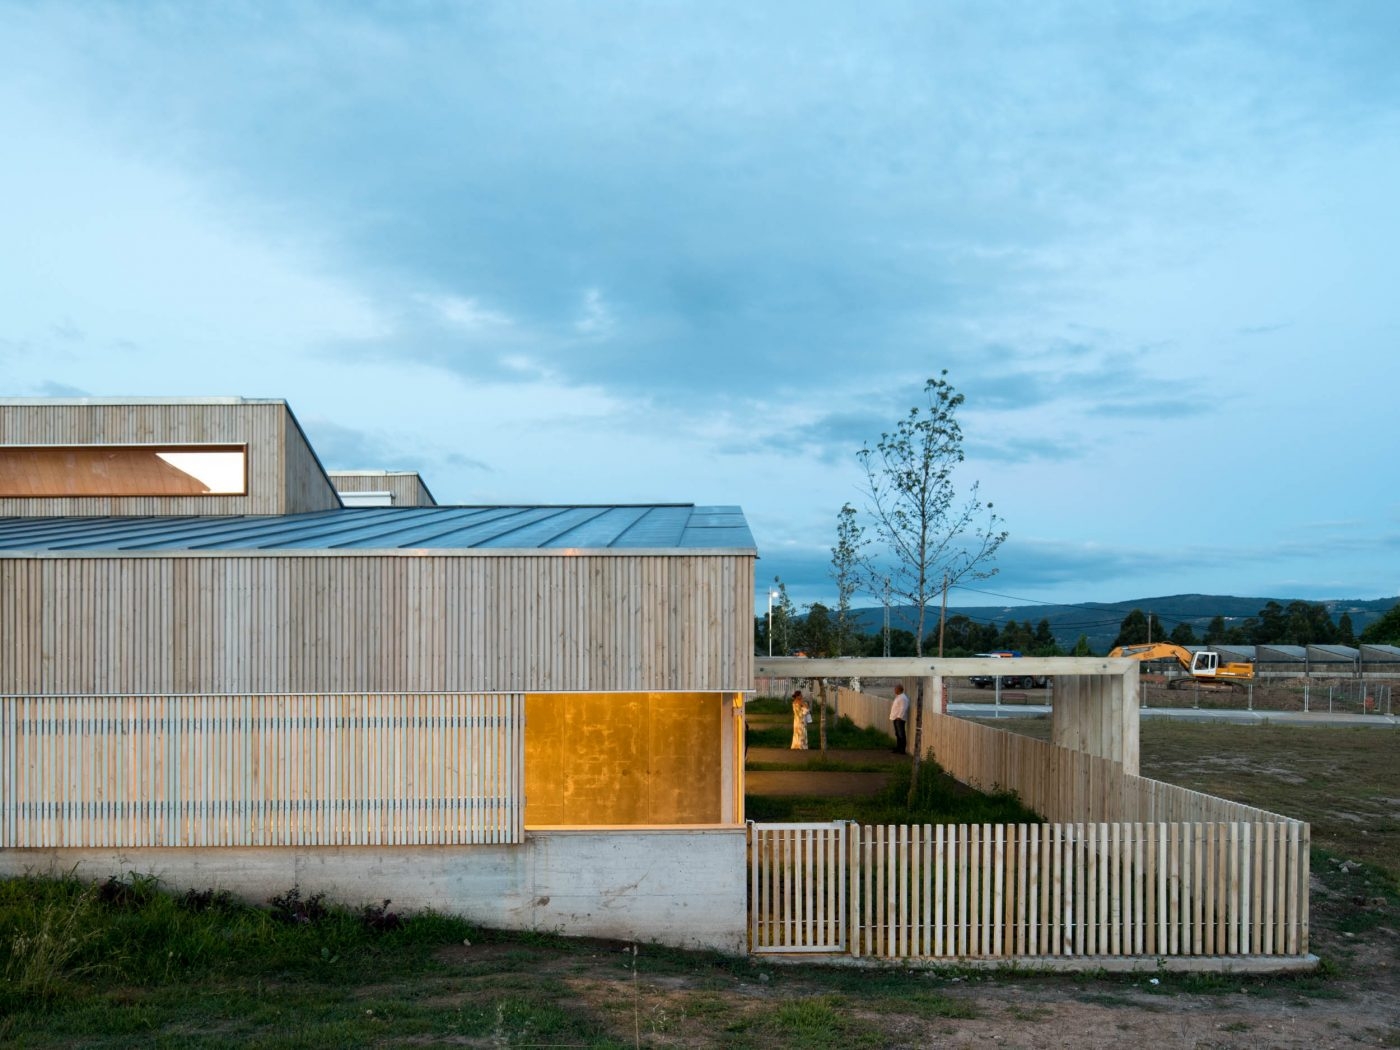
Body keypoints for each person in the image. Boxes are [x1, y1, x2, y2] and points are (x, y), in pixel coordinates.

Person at [889, 683, 909, 754]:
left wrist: (899, 716)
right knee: (897, 734)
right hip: (896, 718)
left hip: (899, 719)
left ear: (899, 689)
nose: (894, 690)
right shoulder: (898, 697)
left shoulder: (903, 698)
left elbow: (903, 708)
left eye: (895, 689)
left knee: (901, 734)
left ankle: (902, 749)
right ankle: (898, 747)